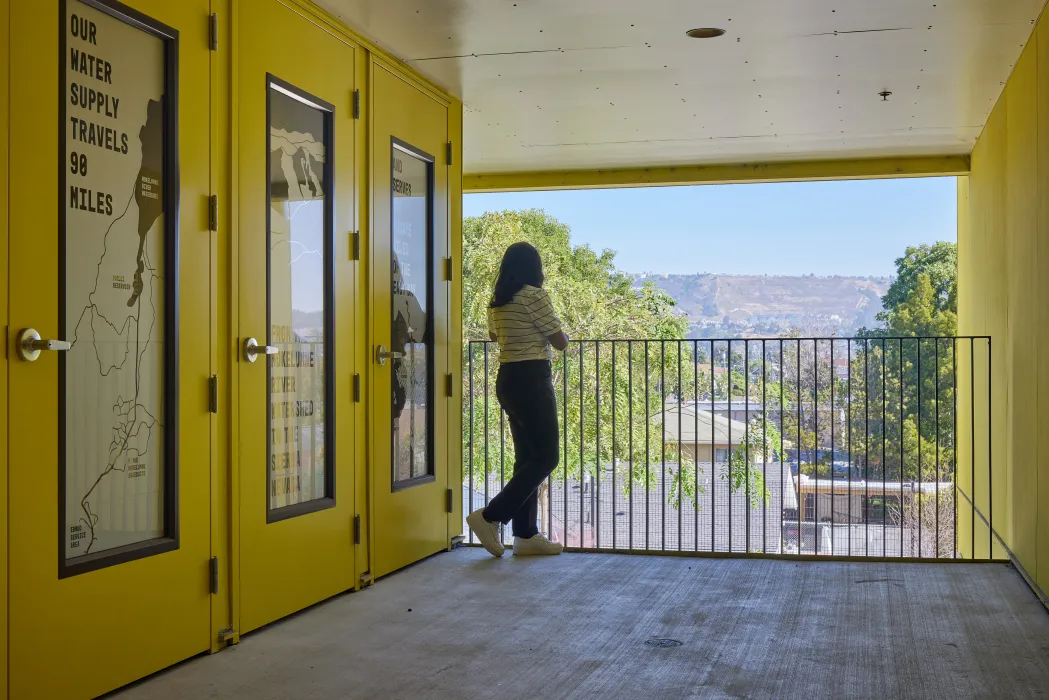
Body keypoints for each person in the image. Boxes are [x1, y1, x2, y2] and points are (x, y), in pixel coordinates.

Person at [466, 242, 570, 557]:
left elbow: (494, 337)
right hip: (532, 380)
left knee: (527, 458)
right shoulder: (534, 296)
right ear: (533, 267)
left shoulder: (498, 301)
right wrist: (559, 334)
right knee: (548, 456)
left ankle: (525, 535)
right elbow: (560, 341)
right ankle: (489, 516)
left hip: (508, 380)